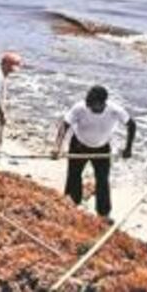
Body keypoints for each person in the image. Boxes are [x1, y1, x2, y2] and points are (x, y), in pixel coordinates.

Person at [54, 86, 136, 220]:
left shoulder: (114, 110)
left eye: (93, 106)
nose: (89, 108)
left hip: (102, 148)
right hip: (79, 146)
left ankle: (103, 213)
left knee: (102, 179)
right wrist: (57, 147)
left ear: (103, 103)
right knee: (74, 175)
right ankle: (72, 205)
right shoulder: (80, 108)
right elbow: (65, 125)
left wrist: (128, 148)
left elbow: (131, 125)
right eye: (88, 104)